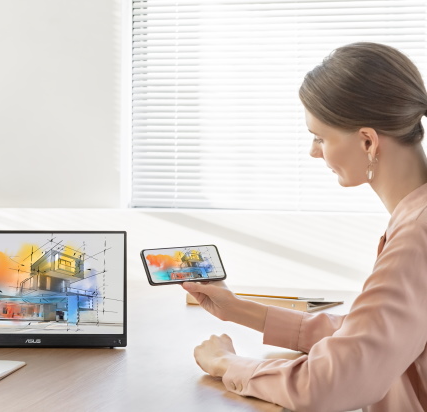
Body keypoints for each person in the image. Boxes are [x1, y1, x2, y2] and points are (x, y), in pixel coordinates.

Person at [182, 42, 427, 412]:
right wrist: (240, 310)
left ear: (367, 141)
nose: (314, 152)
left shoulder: (415, 236)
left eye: (320, 137)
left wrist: (227, 364)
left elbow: (330, 384)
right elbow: (375, 334)